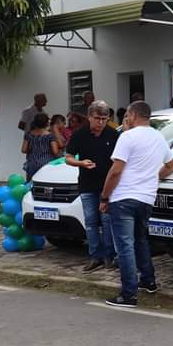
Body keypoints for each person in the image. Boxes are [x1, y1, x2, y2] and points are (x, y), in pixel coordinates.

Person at [99, 101, 173, 307]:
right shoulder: (158, 137)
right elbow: (172, 165)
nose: (126, 118)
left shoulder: (127, 137)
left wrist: (105, 197)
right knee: (140, 240)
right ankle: (148, 281)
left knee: (125, 246)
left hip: (124, 197)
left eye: (128, 114)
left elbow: (116, 170)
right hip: (146, 198)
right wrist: (154, 177)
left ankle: (128, 294)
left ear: (133, 115)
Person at [65, 101, 119, 273]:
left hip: (107, 185)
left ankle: (109, 256)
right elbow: (68, 157)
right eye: (97, 118)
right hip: (87, 184)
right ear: (89, 117)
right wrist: (80, 163)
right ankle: (95, 256)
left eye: (104, 119)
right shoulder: (79, 134)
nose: (101, 122)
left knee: (107, 221)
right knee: (90, 221)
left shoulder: (113, 134)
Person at [21, 113, 59, 179]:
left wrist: (31, 149)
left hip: (32, 163)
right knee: (45, 182)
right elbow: (55, 151)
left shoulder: (29, 135)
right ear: (47, 123)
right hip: (46, 164)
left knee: (31, 182)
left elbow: (23, 150)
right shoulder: (50, 136)